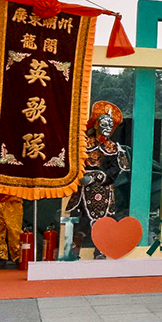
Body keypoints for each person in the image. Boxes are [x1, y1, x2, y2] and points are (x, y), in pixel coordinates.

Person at [63, 102, 131, 257]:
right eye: (104, 124)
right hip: (83, 190)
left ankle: (100, 250)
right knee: (82, 219)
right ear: (96, 124)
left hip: (104, 189)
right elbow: (75, 163)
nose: (107, 128)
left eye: (110, 125)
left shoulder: (114, 148)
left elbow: (116, 169)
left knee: (104, 221)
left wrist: (99, 176)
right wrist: (80, 176)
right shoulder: (83, 144)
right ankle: (73, 249)